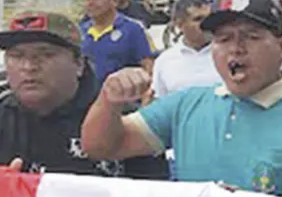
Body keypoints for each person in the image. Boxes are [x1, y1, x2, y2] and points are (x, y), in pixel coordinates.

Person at [81, 0, 282, 197]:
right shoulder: (186, 104)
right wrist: (109, 100)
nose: (236, 48)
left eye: (251, 37)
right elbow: (102, 147)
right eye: (224, 39)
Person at [0, 11, 167, 179]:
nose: (29, 67)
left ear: (79, 64)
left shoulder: (121, 119)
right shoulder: (3, 115)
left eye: (45, 54)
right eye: (17, 56)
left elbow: (152, 196)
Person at [78, 0, 155, 84]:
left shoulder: (132, 29)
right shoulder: (81, 31)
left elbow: (147, 65)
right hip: (90, 98)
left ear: (114, 1)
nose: (90, 3)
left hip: (124, 97)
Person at [151, 0, 221, 99]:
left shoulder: (228, 54)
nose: (207, 24)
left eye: (209, 18)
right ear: (180, 24)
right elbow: (158, 101)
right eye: (198, 19)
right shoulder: (165, 61)